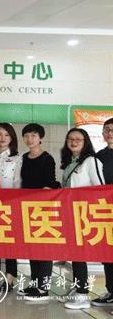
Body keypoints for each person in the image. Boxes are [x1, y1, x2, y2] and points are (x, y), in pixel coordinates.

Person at [61, 128, 104, 310]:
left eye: (78, 139)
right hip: (70, 213)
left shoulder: (91, 161)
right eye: (70, 139)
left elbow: (100, 188)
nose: (74, 142)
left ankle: (82, 294)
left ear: (85, 142)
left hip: (84, 214)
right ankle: (78, 287)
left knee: (79, 254)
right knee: (74, 254)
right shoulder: (69, 162)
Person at [17, 123, 60, 302]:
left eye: (33, 135)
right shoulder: (23, 158)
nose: (30, 139)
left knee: (44, 249)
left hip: (43, 208)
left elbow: (50, 182)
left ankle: (43, 288)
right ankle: (35, 283)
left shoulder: (47, 158)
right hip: (27, 208)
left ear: (40, 137)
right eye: (27, 136)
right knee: (32, 247)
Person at [0, 123, 22, 286]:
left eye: (7, 135)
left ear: (12, 138)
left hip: (10, 205)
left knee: (9, 242)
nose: (3, 138)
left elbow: (17, 182)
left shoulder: (18, 157)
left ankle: (10, 275)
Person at [93, 118, 113, 309]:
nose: (110, 133)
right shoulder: (98, 157)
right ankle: (111, 290)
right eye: (107, 130)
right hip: (105, 212)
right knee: (107, 252)